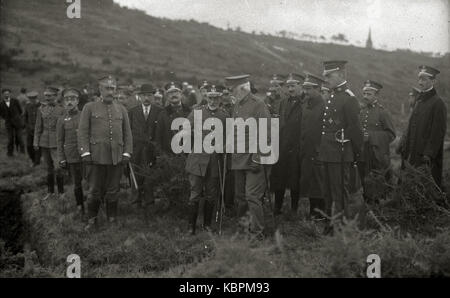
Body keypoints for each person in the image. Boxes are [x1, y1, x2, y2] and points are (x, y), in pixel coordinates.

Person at [78, 76, 133, 231]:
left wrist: (127, 153)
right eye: (107, 88)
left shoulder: (121, 109)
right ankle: (92, 221)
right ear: (100, 89)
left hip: (116, 157)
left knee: (113, 190)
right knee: (94, 190)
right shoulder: (89, 107)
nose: (110, 91)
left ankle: (112, 219)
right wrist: (85, 152)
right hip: (96, 156)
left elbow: (127, 133)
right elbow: (82, 132)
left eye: (113, 88)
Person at [319, 61, 363, 234]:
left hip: (340, 152)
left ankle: (340, 225)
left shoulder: (348, 98)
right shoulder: (333, 96)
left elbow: (355, 129)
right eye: (325, 76)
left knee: (339, 191)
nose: (326, 78)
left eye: (329, 76)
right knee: (328, 191)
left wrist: (356, 153)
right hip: (328, 151)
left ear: (341, 75)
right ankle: (331, 223)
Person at [225, 74, 271, 238]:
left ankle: (257, 232)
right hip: (238, 159)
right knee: (240, 197)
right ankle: (243, 228)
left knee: (252, 196)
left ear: (244, 88)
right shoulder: (237, 105)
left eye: (234, 89)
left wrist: (258, 157)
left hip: (253, 160)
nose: (232, 92)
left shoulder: (258, 105)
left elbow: (266, 133)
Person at [185, 85, 229, 234]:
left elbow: (229, 137)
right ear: (206, 97)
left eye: (216, 97)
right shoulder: (197, 112)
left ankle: (207, 226)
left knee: (211, 194)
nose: (213, 100)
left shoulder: (224, 115)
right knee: (195, 193)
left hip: (215, 162)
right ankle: (191, 227)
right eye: (210, 97)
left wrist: (223, 145)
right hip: (197, 159)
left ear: (220, 98)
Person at [399, 66, 447, 188]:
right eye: (419, 79)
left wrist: (428, 155)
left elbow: (438, 133)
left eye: (424, 79)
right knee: (409, 187)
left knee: (424, 189)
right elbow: (411, 128)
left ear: (433, 81)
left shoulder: (438, 103)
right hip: (412, 153)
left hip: (425, 158)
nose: (420, 82)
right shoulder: (419, 102)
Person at [271, 73, 305, 215]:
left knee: (295, 180)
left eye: (293, 86)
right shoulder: (283, 102)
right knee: (280, 177)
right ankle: (277, 207)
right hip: (282, 146)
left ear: (301, 86)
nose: (290, 89)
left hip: (297, 147)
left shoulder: (305, 103)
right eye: (288, 86)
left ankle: (294, 209)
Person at [128, 84, 162, 220]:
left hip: (152, 151)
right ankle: (135, 203)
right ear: (139, 97)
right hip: (136, 150)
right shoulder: (132, 111)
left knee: (150, 177)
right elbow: (128, 132)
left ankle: (150, 203)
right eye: (144, 95)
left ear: (153, 96)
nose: (146, 98)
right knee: (136, 176)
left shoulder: (159, 111)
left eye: (149, 95)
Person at [358, 80, 396, 202]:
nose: (365, 96)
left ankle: (377, 212)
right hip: (363, 155)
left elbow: (391, 135)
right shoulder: (362, 112)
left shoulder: (383, 112)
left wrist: (371, 136)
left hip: (377, 156)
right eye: (364, 93)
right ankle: (367, 208)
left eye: (369, 94)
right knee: (365, 183)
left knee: (377, 185)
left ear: (376, 95)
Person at [299, 73, 327, 220]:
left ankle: (320, 214)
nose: (306, 92)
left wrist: (319, 150)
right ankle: (312, 212)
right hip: (306, 150)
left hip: (318, 152)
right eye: (305, 88)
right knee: (310, 182)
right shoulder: (306, 104)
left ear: (318, 88)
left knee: (318, 184)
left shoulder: (323, 106)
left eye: (309, 89)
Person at [56, 88, 85, 216]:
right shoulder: (61, 120)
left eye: (72, 99)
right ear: (63, 101)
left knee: (92, 182)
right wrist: (61, 158)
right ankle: (80, 206)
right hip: (72, 157)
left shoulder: (84, 115)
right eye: (67, 99)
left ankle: (95, 204)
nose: (69, 102)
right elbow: (59, 141)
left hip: (86, 156)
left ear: (77, 101)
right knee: (77, 184)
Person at [34, 86, 66, 200]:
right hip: (44, 143)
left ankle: (61, 193)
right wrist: (36, 141)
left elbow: (64, 128)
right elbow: (38, 127)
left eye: (49, 95)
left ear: (55, 96)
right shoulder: (41, 109)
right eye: (46, 95)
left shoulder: (62, 110)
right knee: (49, 168)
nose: (47, 98)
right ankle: (50, 192)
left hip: (56, 143)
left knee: (58, 168)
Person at [156, 82, 192, 154]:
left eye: (176, 92)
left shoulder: (191, 112)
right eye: (170, 93)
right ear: (167, 96)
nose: (174, 95)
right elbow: (158, 138)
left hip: (188, 156)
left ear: (181, 94)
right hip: (169, 156)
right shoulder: (162, 114)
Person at [0, 88, 25, 156]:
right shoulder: (1, 104)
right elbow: (1, 114)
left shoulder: (15, 101)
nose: (6, 95)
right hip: (8, 123)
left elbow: (20, 111)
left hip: (17, 122)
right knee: (10, 139)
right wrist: (6, 118)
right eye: (5, 94)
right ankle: (10, 153)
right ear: (2, 95)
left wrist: (17, 118)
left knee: (19, 137)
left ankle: (22, 152)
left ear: (10, 94)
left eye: (8, 93)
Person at [24, 91, 41, 166]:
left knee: (37, 147)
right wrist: (26, 126)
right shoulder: (27, 106)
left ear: (36, 98)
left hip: (39, 130)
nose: (32, 100)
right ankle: (33, 159)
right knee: (29, 146)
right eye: (30, 99)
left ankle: (36, 162)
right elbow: (25, 117)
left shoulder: (41, 106)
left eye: (33, 99)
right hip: (29, 130)